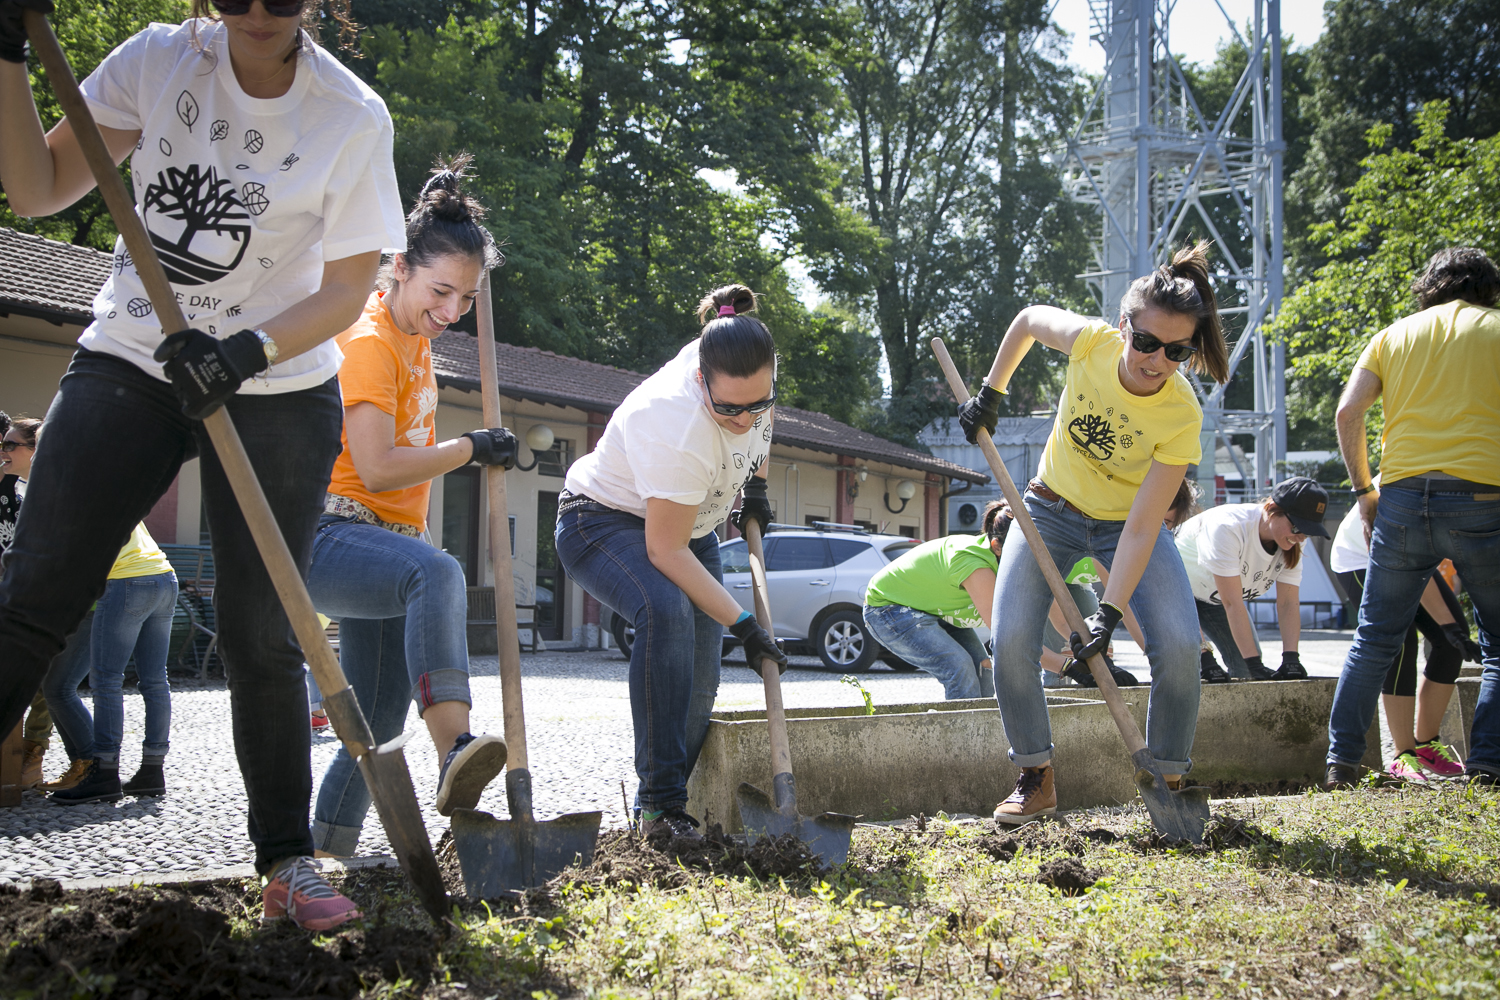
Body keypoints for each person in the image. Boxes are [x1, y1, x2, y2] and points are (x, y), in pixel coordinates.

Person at [0, 0, 405, 930]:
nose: (258, 14)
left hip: (279, 379)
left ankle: (286, 862)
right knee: (38, 593)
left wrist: (246, 351)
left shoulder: (350, 114)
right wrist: (7, 58)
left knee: (265, 630)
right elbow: (35, 187)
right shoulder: (158, 61)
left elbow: (348, 289)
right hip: (135, 356)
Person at [959, 240, 1230, 824]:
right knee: (1009, 640)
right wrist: (992, 390)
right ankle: (1035, 776)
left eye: (1176, 351)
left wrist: (1108, 613)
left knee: (1182, 648)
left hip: (1123, 525)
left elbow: (1141, 526)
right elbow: (1029, 320)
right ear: (1125, 325)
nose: (1155, 359)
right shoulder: (1092, 342)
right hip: (1049, 510)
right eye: (1147, 341)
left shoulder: (1182, 414)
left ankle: (1170, 779)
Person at [306, 159, 510, 856]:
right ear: (398, 267)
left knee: (377, 726)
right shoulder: (368, 342)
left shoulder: (414, 339)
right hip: (332, 538)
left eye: (466, 297)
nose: (452, 311)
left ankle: (323, 855)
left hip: (385, 545)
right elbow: (378, 466)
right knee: (441, 571)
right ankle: (456, 745)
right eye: (440, 291)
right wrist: (470, 447)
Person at [555, 284, 787, 842]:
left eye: (758, 402)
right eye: (729, 408)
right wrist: (747, 625)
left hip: (693, 525)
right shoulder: (674, 422)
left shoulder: (749, 376)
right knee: (666, 612)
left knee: (700, 678)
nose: (744, 418)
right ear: (702, 380)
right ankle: (660, 808)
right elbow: (664, 551)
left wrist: (753, 487)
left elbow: (759, 427)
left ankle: (663, 812)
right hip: (603, 522)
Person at [1326, 247, 1500, 790]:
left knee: (1375, 638)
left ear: (1431, 286)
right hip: (1483, 496)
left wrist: (1363, 492)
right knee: (1496, 643)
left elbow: (1348, 412)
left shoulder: (1393, 334)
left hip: (1400, 497)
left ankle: (1342, 761)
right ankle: (1490, 766)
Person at [1328, 497, 1472, 782]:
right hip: (1361, 556)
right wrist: (1447, 623)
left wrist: (1451, 628)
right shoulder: (1412, 482)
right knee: (1399, 641)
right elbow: (1408, 560)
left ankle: (1426, 744)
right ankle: (1402, 754)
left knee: (1453, 643)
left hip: (1415, 557)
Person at [48, 521, 179, 804]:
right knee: (155, 680)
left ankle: (105, 773)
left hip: (124, 580)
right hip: (165, 577)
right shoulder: (113, 483)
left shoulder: (74, 489)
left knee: (107, 680)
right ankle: (152, 771)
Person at [1174, 476, 1330, 682]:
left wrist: (1291, 657)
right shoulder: (1229, 527)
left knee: (1245, 668)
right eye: (1296, 528)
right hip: (1173, 591)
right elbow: (1232, 603)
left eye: (1308, 532)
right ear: (1272, 509)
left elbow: (1288, 602)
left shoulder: (1293, 542)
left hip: (1213, 598)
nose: (1300, 537)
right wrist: (1204, 655)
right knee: (1193, 667)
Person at [0, 415, 54, 788]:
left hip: (28, 594)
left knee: (43, 681)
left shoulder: (30, 490)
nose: (4, 452)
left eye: (9, 445)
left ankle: (30, 755)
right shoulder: (19, 483)